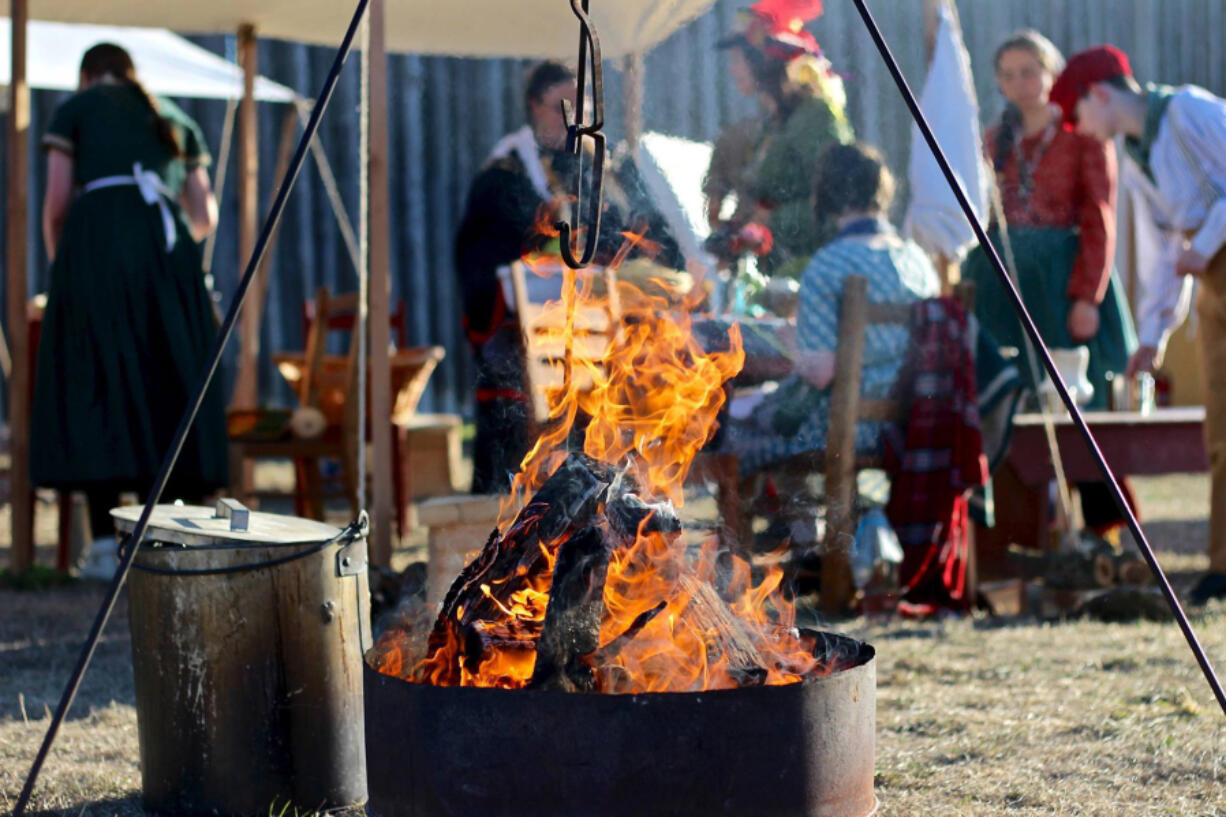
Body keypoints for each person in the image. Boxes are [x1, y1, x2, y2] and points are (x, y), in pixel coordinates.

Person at [32, 43, 226, 567]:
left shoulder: (77, 109)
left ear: (87, 75)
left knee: (97, 381)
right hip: (167, 261)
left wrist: (64, 269)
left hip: (96, 258)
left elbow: (54, 204)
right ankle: (165, 533)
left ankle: (101, 544)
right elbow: (204, 212)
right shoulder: (172, 114)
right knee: (165, 380)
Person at [455, 61, 685, 494]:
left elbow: (650, 234)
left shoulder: (611, 165)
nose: (574, 116)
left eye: (582, 105)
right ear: (534, 107)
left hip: (616, 329)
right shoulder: (506, 175)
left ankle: (624, 491)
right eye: (563, 106)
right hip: (541, 327)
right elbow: (486, 259)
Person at [1050, 45, 1226, 603]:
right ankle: (1223, 564)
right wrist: (1151, 338)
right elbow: (1161, 254)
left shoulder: (1190, 111)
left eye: (1079, 116)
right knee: (1220, 431)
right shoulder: (1134, 158)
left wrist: (1208, 242)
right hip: (1211, 283)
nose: (1080, 130)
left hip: (1214, 256)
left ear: (1100, 93)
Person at [962, 31, 1138, 539]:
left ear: (1051, 72)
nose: (1021, 83)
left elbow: (1099, 217)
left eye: (1031, 71)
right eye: (1010, 74)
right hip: (1005, 286)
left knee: (1080, 408)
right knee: (1011, 399)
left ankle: (1107, 532)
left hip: (1063, 282)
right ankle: (1025, 532)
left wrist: (1087, 297)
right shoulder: (995, 139)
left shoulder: (1083, 130)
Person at [723, 143, 940, 473]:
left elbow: (822, 372)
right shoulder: (918, 261)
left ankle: (786, 523)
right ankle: (799, 524)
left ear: (826, 193)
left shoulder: (830, 265)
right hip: (917, 424)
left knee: (730, 437)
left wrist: (794, 346)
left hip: (846, 428)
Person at [704, 0, 853, 282]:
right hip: (775, 278)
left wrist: (772, 220)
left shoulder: (816, 119)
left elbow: (840, 208)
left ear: (764, 62)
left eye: (737, 60)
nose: (731, 70)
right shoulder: (774, 123)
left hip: (812, 280)